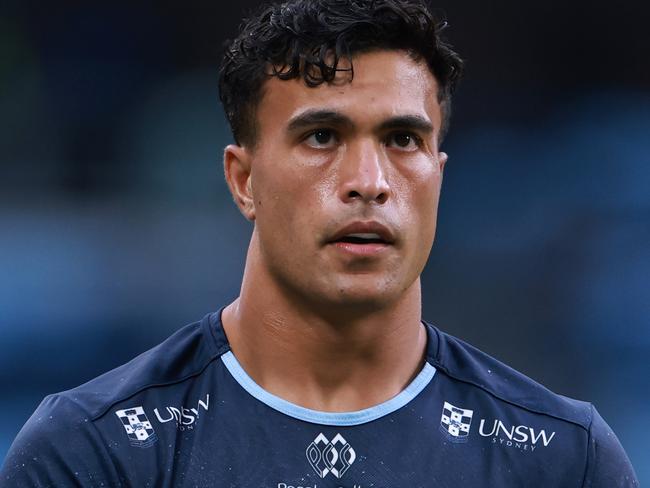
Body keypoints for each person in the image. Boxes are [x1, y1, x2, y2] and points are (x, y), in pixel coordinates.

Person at [0, 0, 639, 486]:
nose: (369, 183)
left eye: (402, 140)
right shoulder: (92, 452)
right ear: (243, 179)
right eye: (322, 137)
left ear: (439, 176)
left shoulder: (562, 458)